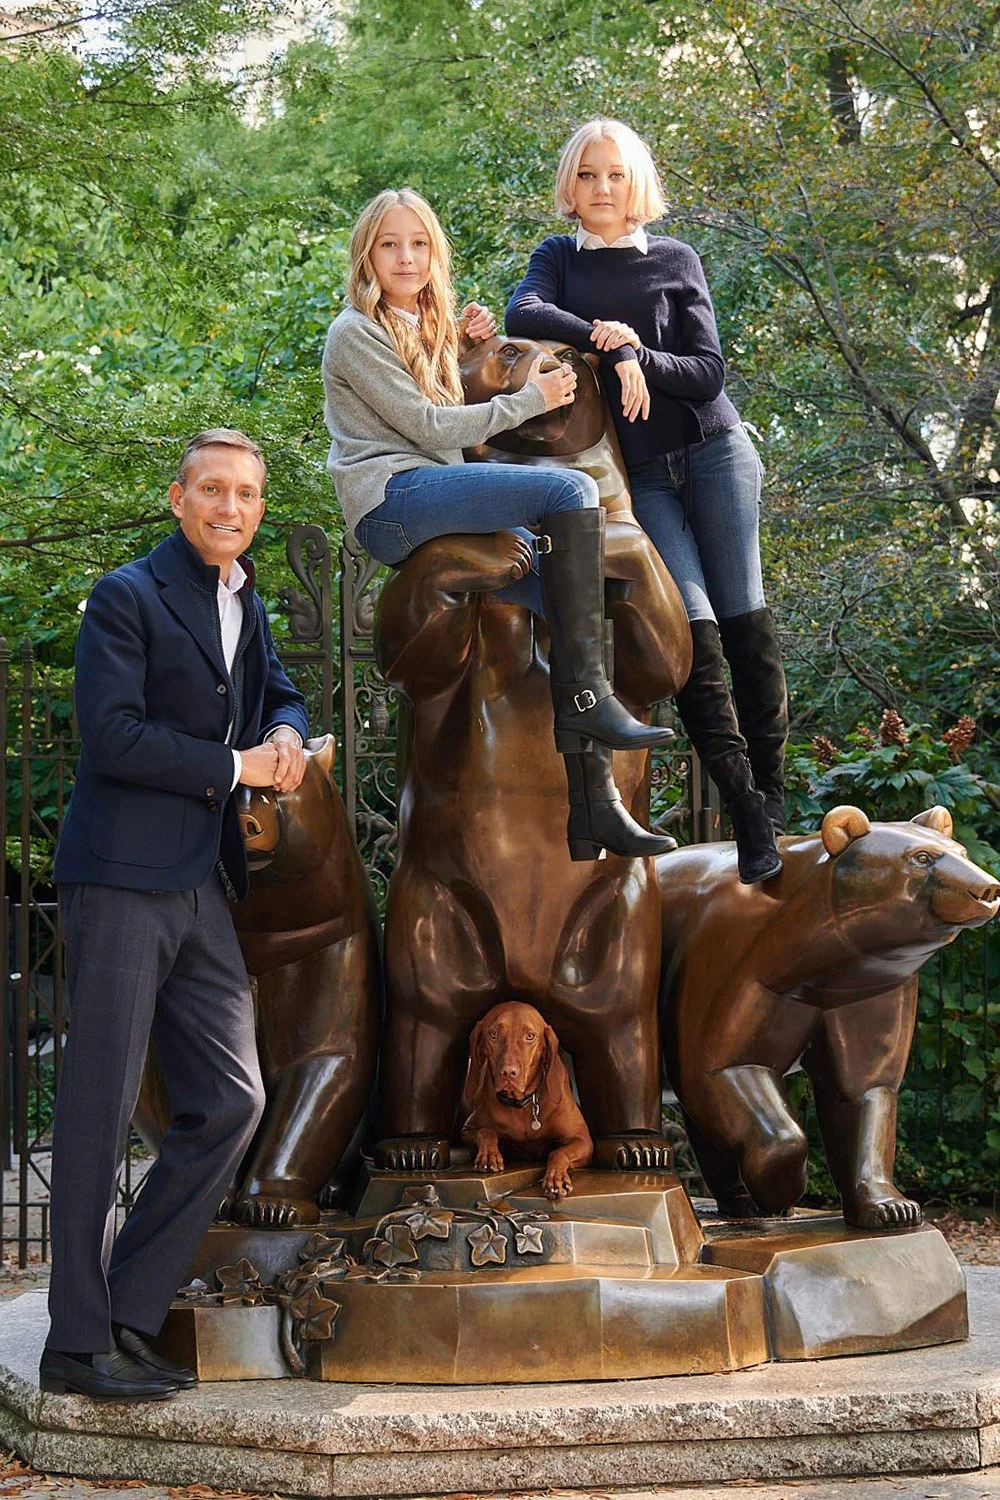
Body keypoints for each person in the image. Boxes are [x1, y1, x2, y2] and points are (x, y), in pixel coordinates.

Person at [42, 429, 310, 1401]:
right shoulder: (126, 597)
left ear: (258, 509)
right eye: (211, 489)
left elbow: (279, 694)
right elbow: (110, 735)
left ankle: (121, 1313)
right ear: (178, 497)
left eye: (245, 493)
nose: (228, 506)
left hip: (199, 878)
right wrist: (240, 766)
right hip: (119, 876)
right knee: (100, 1108)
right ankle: (75, 1346)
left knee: (233, 1101)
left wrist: (284, 732)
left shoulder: (247, 599)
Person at [321, 187, 675, 860]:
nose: (405, 257)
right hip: (392, 501)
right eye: (390, 244)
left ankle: (593, 803)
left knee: (573, 606)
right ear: (366, 253)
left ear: (435, 254)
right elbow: (429, 427)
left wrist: (466, 338)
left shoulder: (427, 327)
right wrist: (528, 400)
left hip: (437, 493)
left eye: (418, 243)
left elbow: (450, 398)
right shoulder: (355, 333)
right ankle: (592, 701)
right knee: (570, 491)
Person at [506, 119, 788, 885]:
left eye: (617, 175)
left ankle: (778, 801)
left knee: (745, 624)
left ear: (639, 185)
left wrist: (640, 354)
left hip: (717, 452)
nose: (603, 189)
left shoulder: (675, 258)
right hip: (649, 478)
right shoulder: (559, 258)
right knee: (694, 637)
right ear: (571, 185)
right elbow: (522, 315)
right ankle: (747, 814)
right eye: (589, 175)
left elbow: (705, 373)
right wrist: (612, 342)